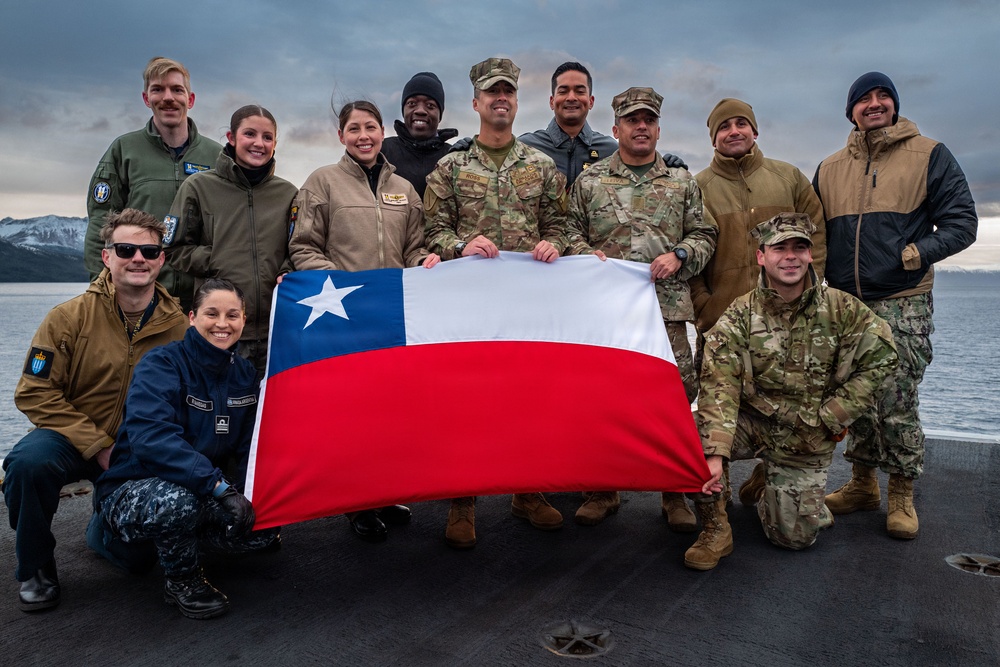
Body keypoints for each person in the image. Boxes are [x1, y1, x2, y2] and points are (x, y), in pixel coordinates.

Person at [813, 72, 977, 539]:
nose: (875, 103)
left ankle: (902, 493)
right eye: (864, 98)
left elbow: (963, 223)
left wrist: (914, 254)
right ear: (851, 112)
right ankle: (863, 484)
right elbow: (815, 231)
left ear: (895, 105)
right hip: (847, 303)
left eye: (883, 95)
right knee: (855, 396)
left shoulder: (929, 154)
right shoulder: (829, 168)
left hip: (903, 300)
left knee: (897, 397)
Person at [685, 213, 897, 570]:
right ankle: (716, 528)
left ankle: (770, 480)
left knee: (795, 538)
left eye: (799, 248)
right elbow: (719, 384)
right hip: (751, 422)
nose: (790, 257)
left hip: (807, 434)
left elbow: (883, 358)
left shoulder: (842, 309)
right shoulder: (740, 314)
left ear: (810, 255)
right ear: (761, 256)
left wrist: (834, 416)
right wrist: (714, 452)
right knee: (689, 441)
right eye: (779, 248)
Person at [3, 209, 187, 612]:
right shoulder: (68, 318)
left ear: (161, 260)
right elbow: (34, 393)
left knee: (136, 563)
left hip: (136, 448)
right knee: (28, 464)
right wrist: (98, 444)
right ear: (107, 257)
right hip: (69, 437)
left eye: (148, 251)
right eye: (125, 249)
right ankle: (35, 566)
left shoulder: (179, 328)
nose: (137, 258)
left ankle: (101, 530)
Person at [424, 57, 570, 549]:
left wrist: (554, 245)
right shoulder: (450, 167)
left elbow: (560, 226)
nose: (500, 98)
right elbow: (432, 230)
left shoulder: (541, 166)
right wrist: (459, 245)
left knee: (527, 398)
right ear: (476, 102)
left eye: (507, 91)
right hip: (468, 308)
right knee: (467, 400)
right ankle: (462, 499)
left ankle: (526, 492)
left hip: (526, 306)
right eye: (492, 92)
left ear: (516, 100)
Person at [565, 86, 717, 531]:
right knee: (603, 398)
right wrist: (584, 255)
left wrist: (681, 255)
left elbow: (705, 234)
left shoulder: (681, 182)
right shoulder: (590, 182)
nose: (641, 127)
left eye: (649, 120)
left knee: (673, 398)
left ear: (658, 129)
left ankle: (674, 493)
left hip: (665, 310)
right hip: (605, 314)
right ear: (616, 129)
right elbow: (567, 231)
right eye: (632, 120)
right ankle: (602, 488)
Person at [289, 100, 440, 543]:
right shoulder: (322, 183)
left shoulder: (404, 189)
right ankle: (356, 503)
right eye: (353, 128)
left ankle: (384, 492)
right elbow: (302, 247)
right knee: (351, 415)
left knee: (388, 413)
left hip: (391, 318)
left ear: (381, 132)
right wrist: (339, 286)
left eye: (370, 127)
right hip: (345, 315)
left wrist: (424, 261)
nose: (363, 136)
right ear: (341, 136)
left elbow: (413, 248)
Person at [95, 279, 278, 620]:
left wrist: (252, 496)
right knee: (177, 503)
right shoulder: (162, 364)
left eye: (232, 315)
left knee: (264, 530)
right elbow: (152, 439)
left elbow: (249, 445)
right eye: (212, 313)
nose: (222, 324)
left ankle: (183, 541)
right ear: (192, 318)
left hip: (202, 486)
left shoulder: (244, 374)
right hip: (136, 486)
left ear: (243, 320)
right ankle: (182, 582)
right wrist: (219, 488)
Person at [692, 98, 827, 506]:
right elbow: (691, 251)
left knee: (788, 407)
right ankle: (716, 514)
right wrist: (705, 307)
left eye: (741, 123)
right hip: (722, 327)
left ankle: (772, 474)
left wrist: (806, 297)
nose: (734, 131)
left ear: (754, 130)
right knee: (715, 415)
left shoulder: (789, 178)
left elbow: (817, 238)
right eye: (724, 126)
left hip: (788, 327)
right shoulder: (698, 187)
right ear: (713, 137)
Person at [164, 104, 297, 376]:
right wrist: (217, 260)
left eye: (267, 137)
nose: (259, 143)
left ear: (275, 143)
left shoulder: (288, 193)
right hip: (221, 332)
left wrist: (287, 270)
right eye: (250, 134)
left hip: (277, 331)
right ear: (231, 137)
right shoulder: (199, 187)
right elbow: (174, 248)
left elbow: (297, 248)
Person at [84, 56, 222, 312]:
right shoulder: (124, 150)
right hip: (140, 298)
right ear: (146, 98)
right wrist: (101, 287)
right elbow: (100, 224)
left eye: (177, 89)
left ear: (190, 99)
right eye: (158, 89)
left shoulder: (216, 156)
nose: (168, 97)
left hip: (203, 300)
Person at [381, 72, 458, 198]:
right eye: (412, 103)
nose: (420, 110)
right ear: (403, 110)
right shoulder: (382, 152)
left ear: (440, 115)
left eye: (430, 105)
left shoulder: (454, 158)